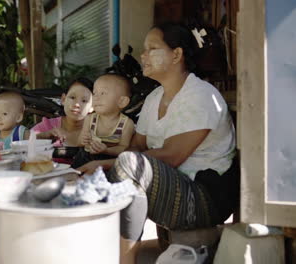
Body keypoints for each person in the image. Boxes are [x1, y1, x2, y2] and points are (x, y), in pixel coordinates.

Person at [77, 23, 238, 264]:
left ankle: (125, 260)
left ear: (177, 54)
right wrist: (105, 159)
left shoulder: (201, 95)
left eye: (152, 48)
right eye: (144, 49)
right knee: (95, 163)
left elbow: (173, 155)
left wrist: (111, 162)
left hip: (204, 197)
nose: (143, 55)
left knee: (125, 164)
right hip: (172, 187)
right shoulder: (154, 98)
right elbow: (137, 145)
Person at [71, 73, 135, 168]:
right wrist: (84, 140)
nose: (96, 97)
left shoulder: (127, 124)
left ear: (122, 101)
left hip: (109, 161)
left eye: (103, 93)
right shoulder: (90, 119)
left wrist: (106, 150)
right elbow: (78, 143)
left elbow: (123, 149)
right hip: (85, 158)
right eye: (94, 93)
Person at [31, 77, 94, 163]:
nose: (76, 104)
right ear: (63, 99)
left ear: (92, 106)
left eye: (84, 101)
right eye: (72, 97)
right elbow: (23, 145)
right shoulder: (48, 126)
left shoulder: (97, 130)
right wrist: (43, 135)